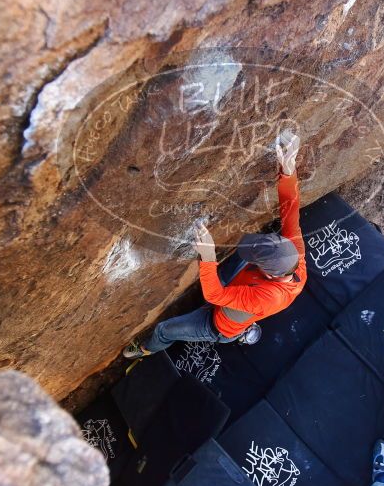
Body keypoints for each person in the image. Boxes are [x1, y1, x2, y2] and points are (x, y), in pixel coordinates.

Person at [123, 132, 306, 359]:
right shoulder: (294, 255)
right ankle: (240, 309)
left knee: (165, 330)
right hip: (242, 290)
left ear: (269, 275)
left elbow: (214, 296)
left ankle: (145, 350)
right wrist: (287, 171)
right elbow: (291, 212)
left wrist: (208, 256)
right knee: (239, 260)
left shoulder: (267, 297)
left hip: (217, 323)